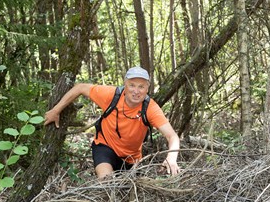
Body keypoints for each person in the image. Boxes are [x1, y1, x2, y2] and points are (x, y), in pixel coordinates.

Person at [44, 66, 180, 179]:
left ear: (147, 89)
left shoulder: (150, 108)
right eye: (132, 85)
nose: (136, 91)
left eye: (141, 87)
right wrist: (56, 110)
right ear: (125, 85)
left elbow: (172, 136)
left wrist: (171, 157)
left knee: (130, 197)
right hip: (105, 147)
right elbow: (80, 87)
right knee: (107, 184)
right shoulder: (111, 95)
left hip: (132, 158)